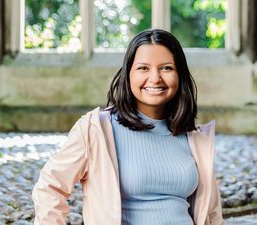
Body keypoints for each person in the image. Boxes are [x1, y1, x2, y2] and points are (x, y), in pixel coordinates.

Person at [32, 29, 225, 225]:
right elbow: (49, 188)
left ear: (180, 75)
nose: (155, 78)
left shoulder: (195, 138)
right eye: (143, 68)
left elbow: (212, 214)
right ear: (128, 74)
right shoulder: (96, 129)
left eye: (166, 68)